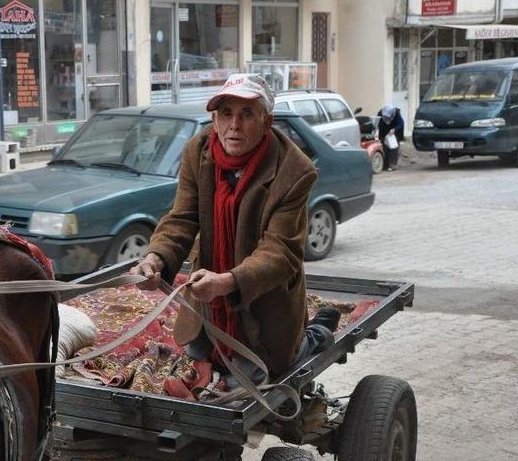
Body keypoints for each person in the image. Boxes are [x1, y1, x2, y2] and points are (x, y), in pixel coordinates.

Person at [130, 73, 339, 385]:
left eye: (246, 115)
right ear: (214, 119)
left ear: (267, 122)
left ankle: (317, 333)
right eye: (226, 114)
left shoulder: (295, 171)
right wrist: (156, 258)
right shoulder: (197, 152)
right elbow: (182, 218)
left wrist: (227, 282)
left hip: (266, 304)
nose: (234, 125)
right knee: (198, 353)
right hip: (210, 301)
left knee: (259, 373)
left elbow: (280, 252)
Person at [377, 104, 404, 172]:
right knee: (384, 148)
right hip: (383, 133)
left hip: (393, 134)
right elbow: (377, 124)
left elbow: (401, 123)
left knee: (394, 148)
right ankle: (385, 165)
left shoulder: (396, 113)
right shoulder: (380, 113)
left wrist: (394, 129)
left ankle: (392, 165)